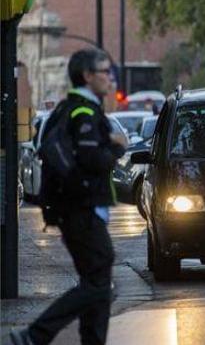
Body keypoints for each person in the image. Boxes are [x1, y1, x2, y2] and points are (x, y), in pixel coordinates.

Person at [10, 49, 128, 345]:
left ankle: (85, 340)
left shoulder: (70, 109)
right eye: (105, 71)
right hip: (82, 209)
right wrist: (117, 147)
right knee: (99, 283)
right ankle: (35, 335)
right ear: (88, 76)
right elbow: (93, 159)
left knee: (97, 282)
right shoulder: (84, 113)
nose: (110, 78)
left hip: (74, 208)